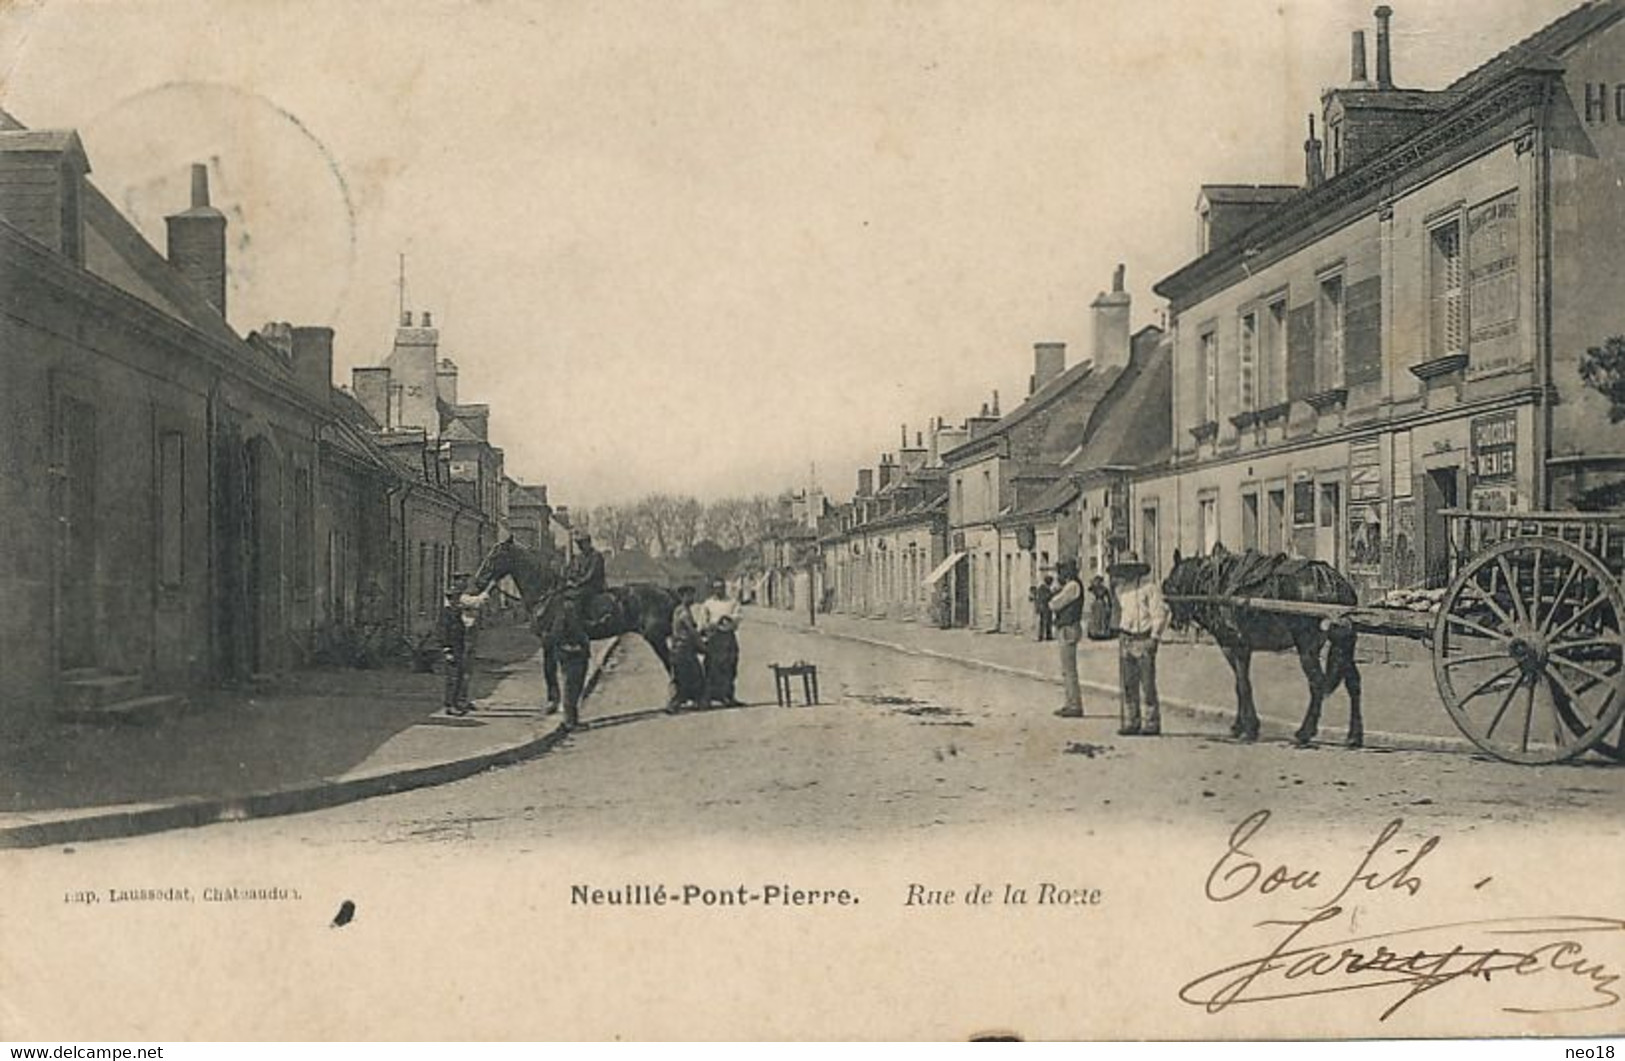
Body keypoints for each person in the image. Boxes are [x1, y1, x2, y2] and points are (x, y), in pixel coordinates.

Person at [1109, 551, 1169, 737]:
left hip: (1144, 638)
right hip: (1126, 638)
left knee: (1147, 683)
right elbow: (1119, 613)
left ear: (1137, 569)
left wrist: (1155, 637)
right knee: (1128, 683)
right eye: (1124, 569)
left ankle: (1151, 723)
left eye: (1130, 569)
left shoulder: (1150, 588)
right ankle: (1131, 721)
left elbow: (1159, 614)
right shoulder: (1121, 590)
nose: (1127, 573)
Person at [439, 574, 489, 715]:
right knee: (453, 678)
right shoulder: (447, 614)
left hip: (458, 647)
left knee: (460, 675)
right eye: (455, 600)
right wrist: (447, 650)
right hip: (452, 649)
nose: (458, 602)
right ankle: (450, 705)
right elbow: (443, 633)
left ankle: (457, 703)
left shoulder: (455, 613)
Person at [1049, 559, 1087, 718]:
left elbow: (1054, 604)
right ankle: (1070, 702)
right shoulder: (1071, 585)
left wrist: (1054, 595)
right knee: (1067, 669)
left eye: (1062, 571)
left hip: (1068, 628)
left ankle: (1074, 705)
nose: (1060, 574)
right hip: (1068, 627)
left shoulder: (1072, 586)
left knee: (1069, 670)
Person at [697, 578, 744, 707]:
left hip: (728, 638)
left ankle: (728, 696)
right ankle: (709, 698)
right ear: (712, 589)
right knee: (712, 668)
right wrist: (712, 625)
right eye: (716, 587)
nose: (719, 590)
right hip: (714, 639)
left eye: (721, 587)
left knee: (729, 667)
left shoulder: (732, 602)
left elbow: (738, 617)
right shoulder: (708, 603)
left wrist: (729, 620)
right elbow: (702, 622)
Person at [550, 598, 591, 729]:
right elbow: (556, 634)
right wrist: (568, 646)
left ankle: (573, 719)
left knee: (576, 685)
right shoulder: (563, 613)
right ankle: (569, 721)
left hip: (578, 652)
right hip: (570, 654)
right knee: (571, 686)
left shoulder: (573, 612)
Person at [667, 585, 707, 711]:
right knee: (690, 675)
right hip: (683, 649)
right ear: (683, 597)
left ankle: (693, 701)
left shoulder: (679, 610)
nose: (692, 598)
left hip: (680, 648)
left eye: (692, 594)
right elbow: (692, 631)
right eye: (689, 595)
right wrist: (702, 646)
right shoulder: (683, 612)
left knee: (688, 675)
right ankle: (675, 703)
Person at [563, 528, 611, 633]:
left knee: (579, 596)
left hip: (594, 586)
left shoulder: (596, 556)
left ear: (588, 543)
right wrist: (570, 579)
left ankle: (583, 622)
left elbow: (590, 575)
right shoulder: (579, 558)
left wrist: (576, 583)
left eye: (582, 543)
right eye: (579, 544)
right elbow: (574, 571)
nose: (581, 546)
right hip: (581, 585)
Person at [1085, 574, 1114, 641]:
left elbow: (1108, 597)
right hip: (1096, 604)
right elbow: (1089, 590)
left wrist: (1109, 606)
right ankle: (1095, 633)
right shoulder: (1094, 588)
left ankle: (1102, 633)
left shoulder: (1104, 589)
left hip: (1102, 604)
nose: (1098, 582)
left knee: (1102, 619)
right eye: (1096, 580)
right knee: (1095, 618)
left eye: (1099, 581)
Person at [1032, 576, 1056, 642]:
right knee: (1043, 622)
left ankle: (1048, 635)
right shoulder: (1043, 588)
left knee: (1048, 621)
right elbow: (1045, 597)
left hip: (1047, 607)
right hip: (1044, 607)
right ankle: (1041, 636)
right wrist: (1052, 594)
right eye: (1051, 582)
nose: (1051, 583)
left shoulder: (1045, 588)